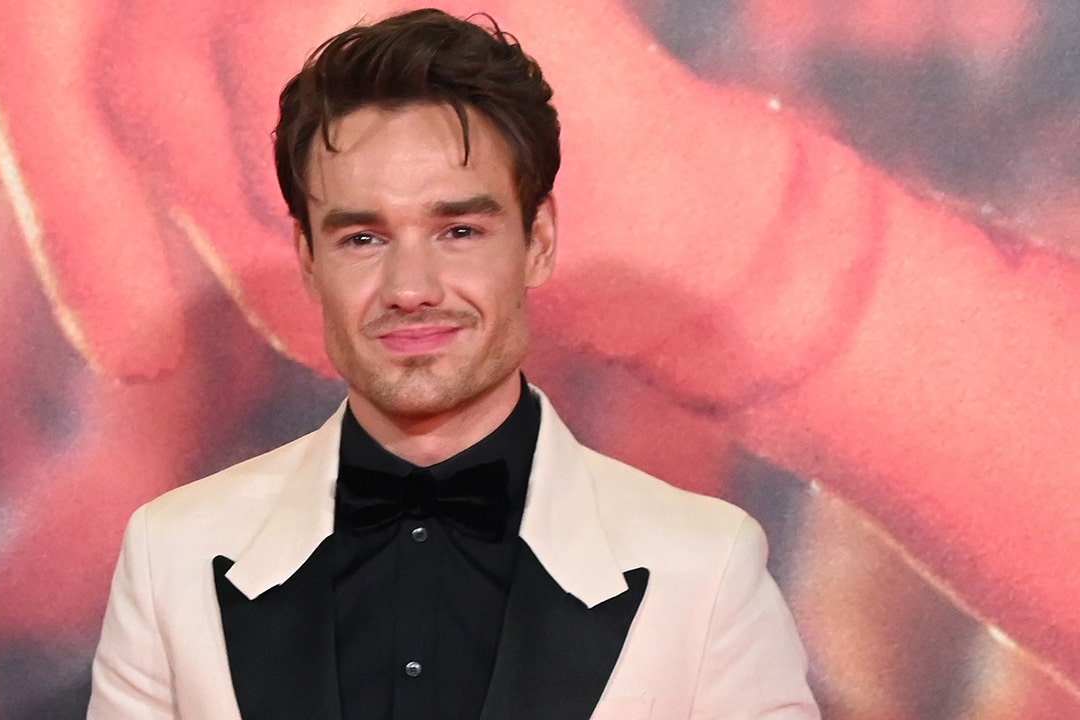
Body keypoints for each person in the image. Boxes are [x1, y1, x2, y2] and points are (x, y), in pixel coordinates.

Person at [86, 9, 818, 720]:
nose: (411, 288)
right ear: (308, 260)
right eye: (363, 238)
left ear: (537, 242)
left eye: (459, 231)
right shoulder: (171, 556)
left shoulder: (706, 567)